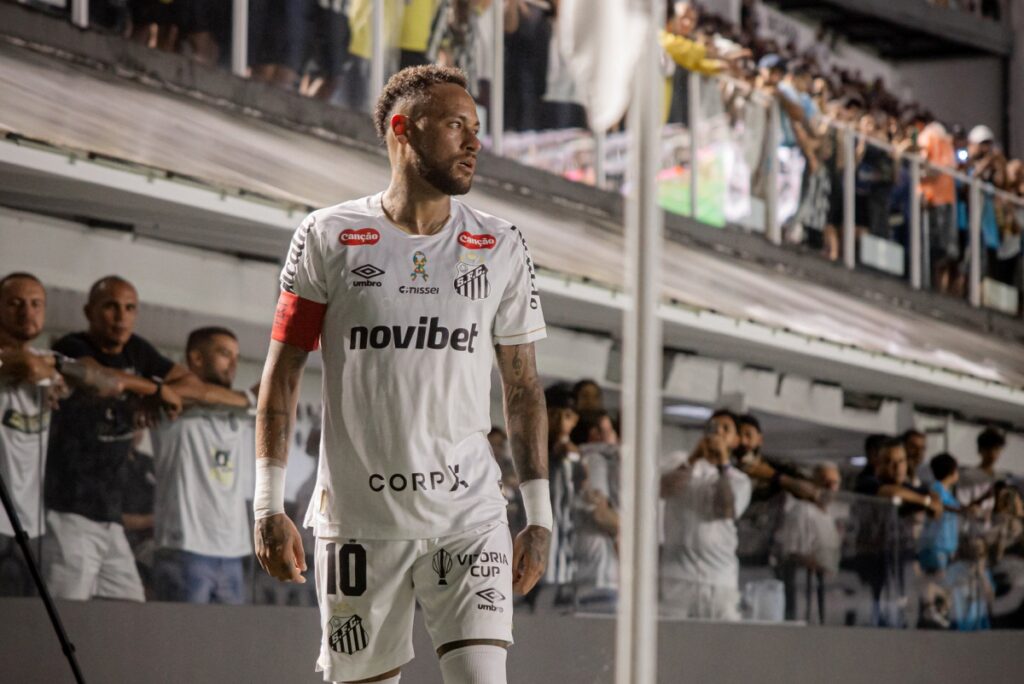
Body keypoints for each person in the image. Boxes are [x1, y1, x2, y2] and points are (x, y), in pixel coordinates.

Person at [253, 65, 550, 684]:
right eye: (456, 125)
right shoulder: (327, 235)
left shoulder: (500, 244)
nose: (474, 142)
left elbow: (522, 388)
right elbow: (281, 376)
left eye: (476, 128)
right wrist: (266, 506)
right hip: (360, 524)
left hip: (469, 516)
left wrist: (539, 516)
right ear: (402, 129)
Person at [42, 275, 246, 602]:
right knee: (66, 611)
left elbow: (191, 385)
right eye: (111, 307)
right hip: (68, 510)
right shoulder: (73, 345)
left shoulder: (138, 351)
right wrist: (158, 390)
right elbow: (101, 379)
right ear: (89, 311)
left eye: (129, 308)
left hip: (109, 517)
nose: (121, 316)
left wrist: (156, 391)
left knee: (132, 608)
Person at [0, 273, 122, 597]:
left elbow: (108, 382)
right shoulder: (21, 361)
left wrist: (57, 367)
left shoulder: (49, 361)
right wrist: (56, 373)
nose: (27, 312)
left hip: (30, 524)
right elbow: (26, 365)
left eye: (36, 304)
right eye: (15, 303)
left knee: (26, 619)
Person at [151, 327, 257, 604]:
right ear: (196, 358)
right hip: (184, 548)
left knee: (230, 633)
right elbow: (190, 393)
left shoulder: (239, 410)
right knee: (181, 632)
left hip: (233, 553)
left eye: (236, 356)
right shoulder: (170, 402)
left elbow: (275, 389)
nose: (233, 364)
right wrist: (247, 400)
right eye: (224, 354)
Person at [659, 409, 752, 621]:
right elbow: (664, 489)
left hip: (719, 580)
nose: (718, 432)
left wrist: (722, 464)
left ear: (735, 440)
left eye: (726, 429)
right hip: (678, 577)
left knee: (722, 637)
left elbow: (725, 509)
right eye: (713, 427)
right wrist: (694, 458)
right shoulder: (679, 461)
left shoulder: (739, 480)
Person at [570, 410, 620, 611]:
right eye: (607, 430)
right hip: (596, 576)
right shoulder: (594, 460)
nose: (612, 436)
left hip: (583, 571)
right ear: (594, 434)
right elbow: (601, 515)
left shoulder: (575, 459)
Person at [956, 427, 1007, 526]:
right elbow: (961, 506)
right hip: (971, 529)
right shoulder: (968, 475)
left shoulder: (1000, 478)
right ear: (980, 450)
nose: (992, 453)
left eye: (996, 449)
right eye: (988, 449)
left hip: (992, 530)